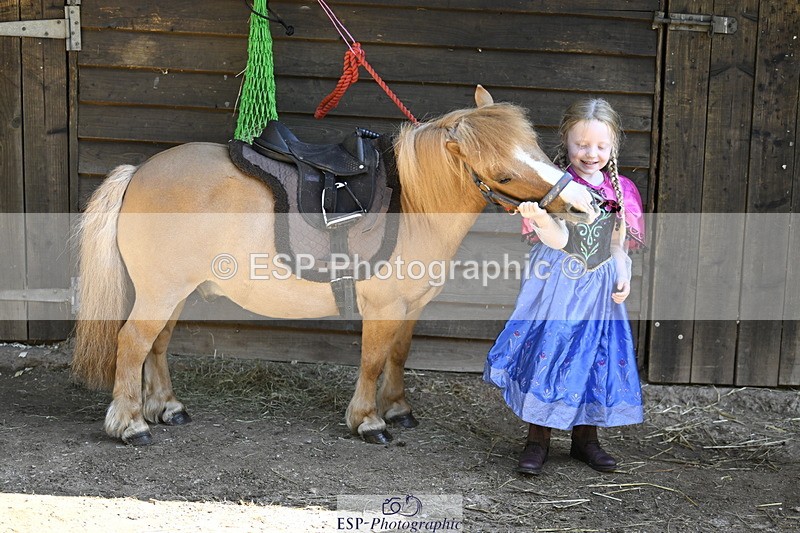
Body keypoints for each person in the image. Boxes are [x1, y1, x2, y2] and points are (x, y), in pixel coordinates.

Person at [484, 98, 646, 475]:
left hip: (600, 291)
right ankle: (537, 439)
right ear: (565, 141)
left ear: (614, 146)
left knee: (593, 356)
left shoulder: (621, 190)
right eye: (581, 144)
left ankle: (585, 440)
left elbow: (618, 245)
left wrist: (624, 273)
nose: (591, 154)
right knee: (551, 352)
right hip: (560, 285)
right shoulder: (554, 186)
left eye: (601, 146)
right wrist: (539, 217)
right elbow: (558, 241)